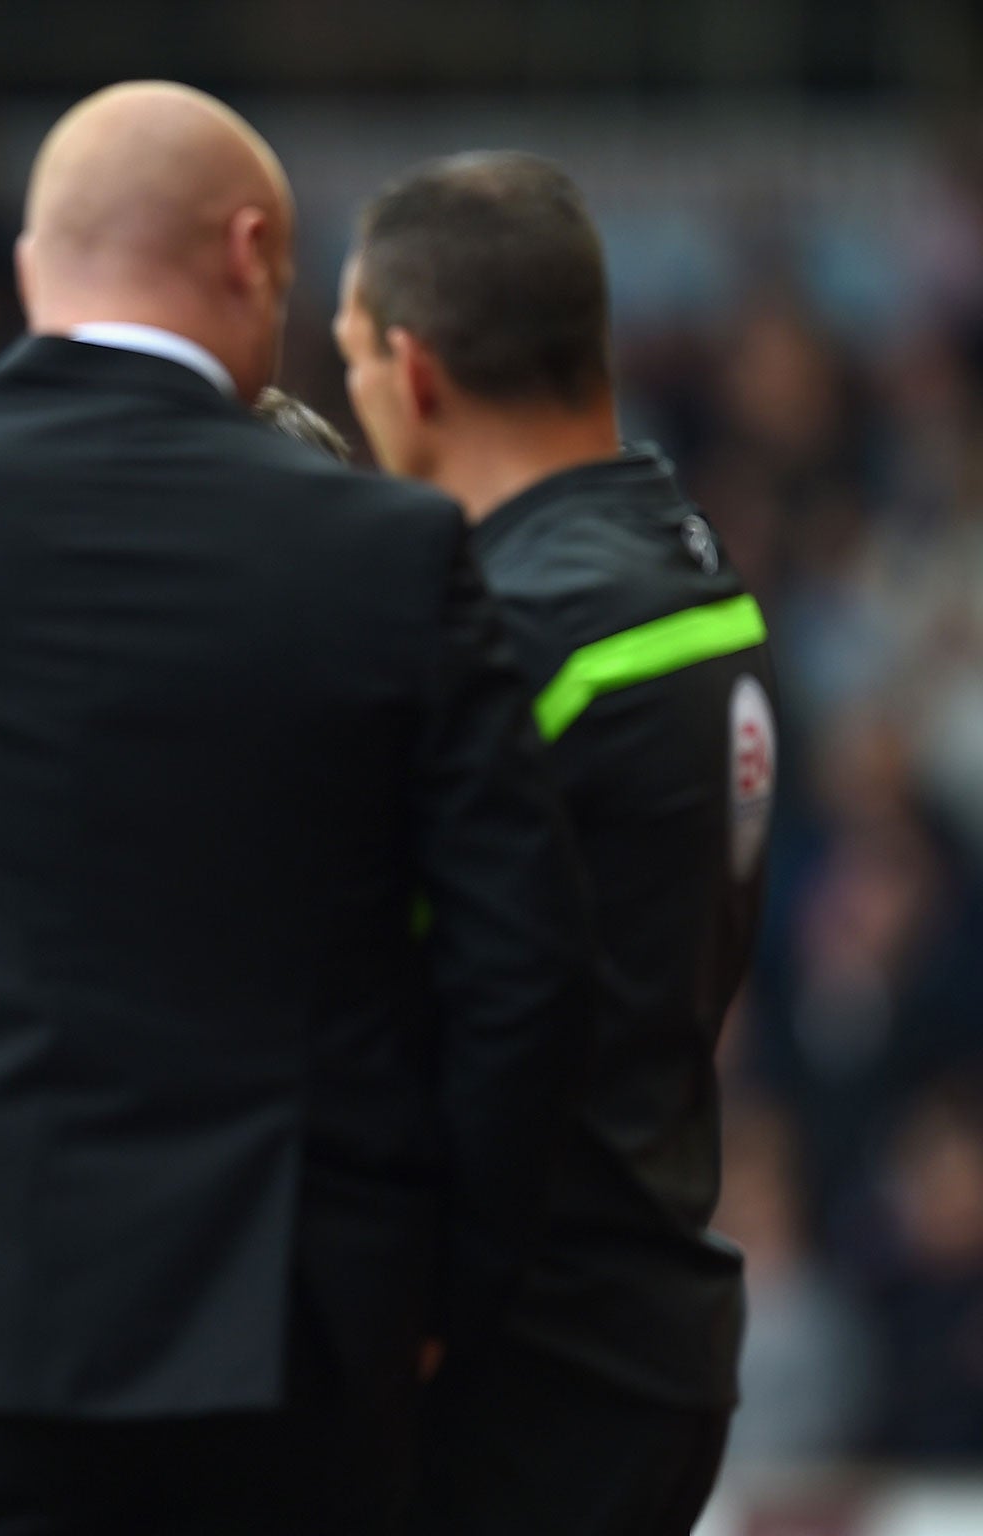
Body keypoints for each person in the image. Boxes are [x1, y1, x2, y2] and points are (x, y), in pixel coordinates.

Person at [0, 81, 591, 1536]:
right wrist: (448, 1283)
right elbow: (526, 964)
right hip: (283, 1342)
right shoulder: (390, 546)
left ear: (30, 264)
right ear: (252, 252)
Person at [332, 151, 777, 1536]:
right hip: (640, 1307)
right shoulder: (686, 567)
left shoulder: (516, 636)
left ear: (411, 370)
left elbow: (450, 1006)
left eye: (347, 356)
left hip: (517, 1363)